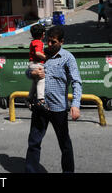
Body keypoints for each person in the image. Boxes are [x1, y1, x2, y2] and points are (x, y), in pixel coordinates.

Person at [25, 25, 82, 173]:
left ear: (61, 42)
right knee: (33, 143)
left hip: (58, 109)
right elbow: (27, 71)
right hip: (40, 107)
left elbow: (76, 81)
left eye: (53, 42)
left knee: (65, 145)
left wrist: (75, 104)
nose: (49, 45)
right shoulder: (41, 55)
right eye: (48, 41)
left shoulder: (67, 58)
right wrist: (33, 74)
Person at [27, 24, 48, 110]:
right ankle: (41, 99)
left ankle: (29, 98)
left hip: (32, 64)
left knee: (35, 82)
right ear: (43, 34)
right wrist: (46, 57)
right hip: (37, 64)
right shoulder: (39, 42)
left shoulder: (33, 42)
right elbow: (38, 53)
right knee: (42, 79)